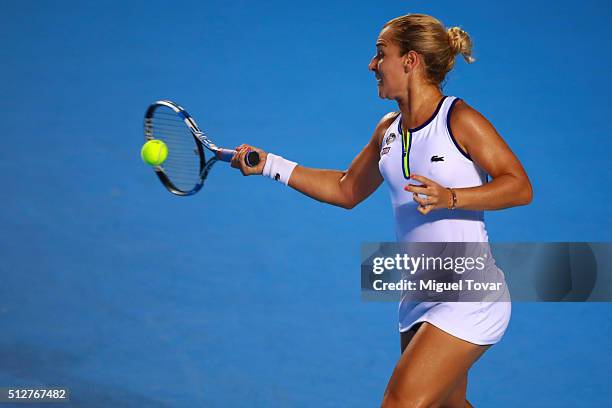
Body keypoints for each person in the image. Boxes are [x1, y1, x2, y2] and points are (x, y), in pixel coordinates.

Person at [231, 13, 532, 408]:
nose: (372, 65)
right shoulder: (388, 130)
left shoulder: (460, 120)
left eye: (380, 54)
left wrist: (452, 197)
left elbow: (519, 186)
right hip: (421, 293)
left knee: (399, 403)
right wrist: (270, 164)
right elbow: (346, 189)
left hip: (470, 294)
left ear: (410, 61)